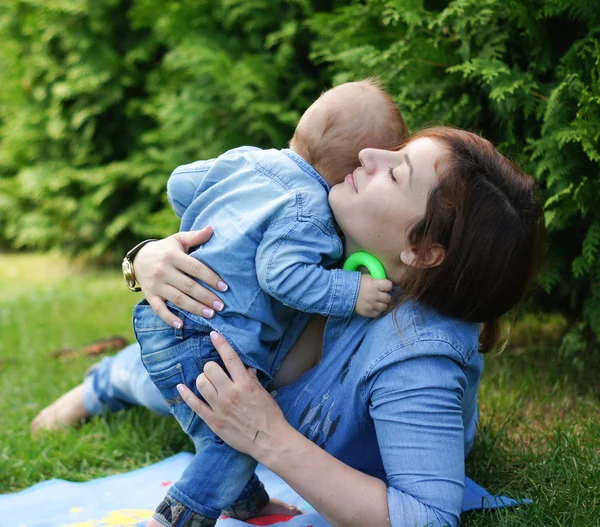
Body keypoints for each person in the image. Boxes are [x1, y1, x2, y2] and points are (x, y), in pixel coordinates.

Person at [33, 126, 544, 527]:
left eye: (395, 172)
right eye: (395, 150)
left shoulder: (418, 356)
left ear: (423, 250)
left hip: (285, 429)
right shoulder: (324, 231)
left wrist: (269, 438)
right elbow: (212, 226)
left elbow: (427, 517)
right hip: (247, 383)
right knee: (165, 374)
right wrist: (146, 259)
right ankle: (98, 386)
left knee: (207, 386)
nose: (370, 154)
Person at [134, 80, 405, 527]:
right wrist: (350, 292)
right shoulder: (311, 209)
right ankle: (175, 519)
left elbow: (180, 184)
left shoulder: (245, 160)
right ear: (354, 170)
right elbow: (280, 275)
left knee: (222, 430)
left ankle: (247, 505)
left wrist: (220, 220)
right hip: (210, 335)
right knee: (239, 437)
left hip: (160, 322)